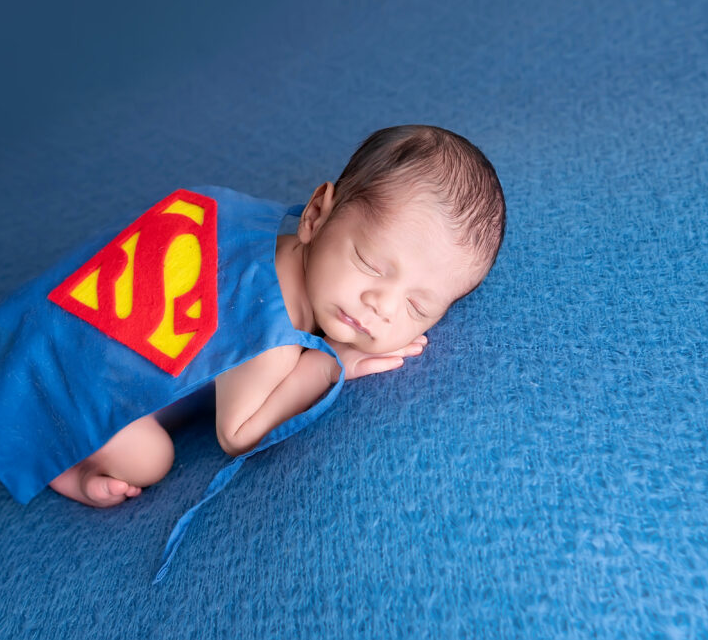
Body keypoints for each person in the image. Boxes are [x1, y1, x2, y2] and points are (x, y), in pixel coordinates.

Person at [46, 124, 506, 508]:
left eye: (417, 307)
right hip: (75, 369)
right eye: (370, 263)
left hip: (92, 317)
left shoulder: (282, 251)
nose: (382, 306)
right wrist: (327, 366)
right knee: (149, 457)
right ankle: (63, 462)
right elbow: (238, 434)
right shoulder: (270, 319)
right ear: (316, 215)